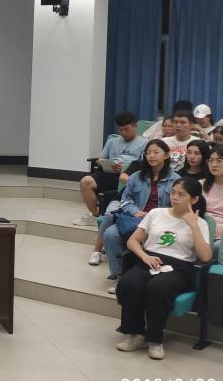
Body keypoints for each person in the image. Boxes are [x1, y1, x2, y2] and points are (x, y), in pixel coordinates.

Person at [115, 177, 212, 361]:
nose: (175, 197)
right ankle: (136, 334)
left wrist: (193, 226)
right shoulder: (156, 213)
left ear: (194, 199)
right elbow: (133, 241)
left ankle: (155, 340)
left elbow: (205, 257)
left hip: (179, 267)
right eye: (173, 192)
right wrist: (144, 256)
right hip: (149, 259)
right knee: (128, 283)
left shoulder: (200, 223)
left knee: (157, 288)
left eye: (181, 194)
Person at [96, 140, 179, 293]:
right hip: (135, 218)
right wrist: (134, 211)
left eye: (156, 152)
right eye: (148, 153)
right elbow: (125, 199)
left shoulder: (176, 180)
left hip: (160, 222)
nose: (151, 156)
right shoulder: (136, 176)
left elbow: (177, 206)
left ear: (166, 155)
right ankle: (120, 276)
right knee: (110, 234)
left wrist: (155, 216)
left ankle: (141, 275)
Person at [75, 112, 147, 231]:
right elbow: (100, 160)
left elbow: (143, 165)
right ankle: (95, 216)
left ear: (135, 126)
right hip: (109, 172)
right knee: (85, 181)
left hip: (128, 175)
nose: (123, 132)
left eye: (126, 129)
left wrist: (124, 167)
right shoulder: (112, 141)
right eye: (120, 130)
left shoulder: (144, 143)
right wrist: (104, 163)